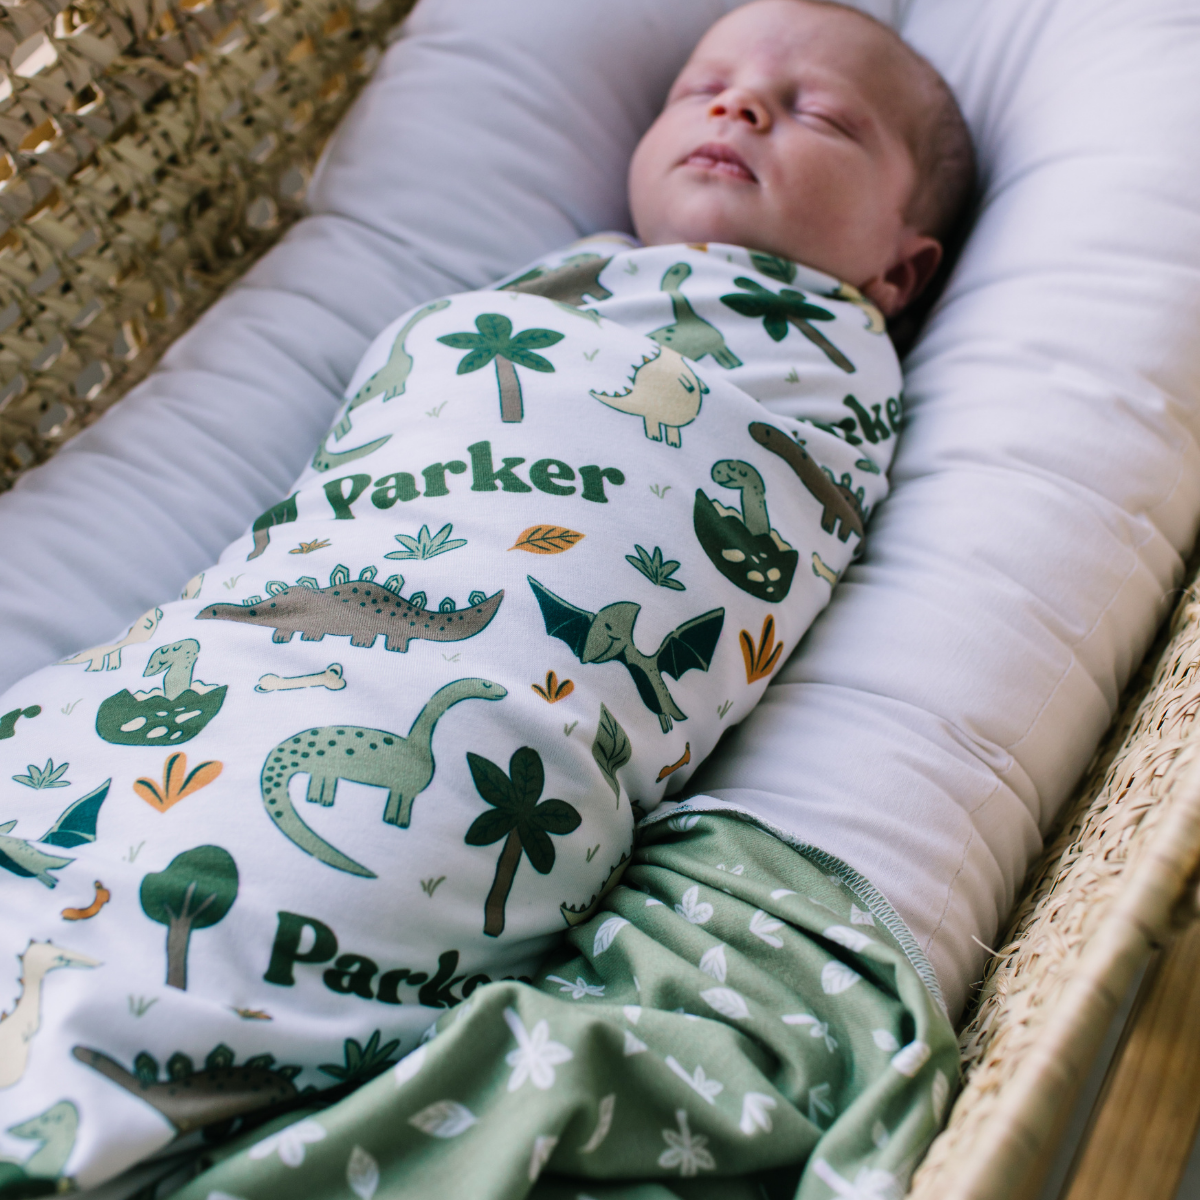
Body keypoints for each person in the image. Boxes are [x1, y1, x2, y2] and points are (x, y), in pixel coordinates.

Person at [0, 4, 974, 1197]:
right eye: (702, 85)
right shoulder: (541, 294)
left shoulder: (830, 365)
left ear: (901, 267)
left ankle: (82, 1092)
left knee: (277, 889)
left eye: (820, 112)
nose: (740, 105)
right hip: (258, 638)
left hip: (489, 718)